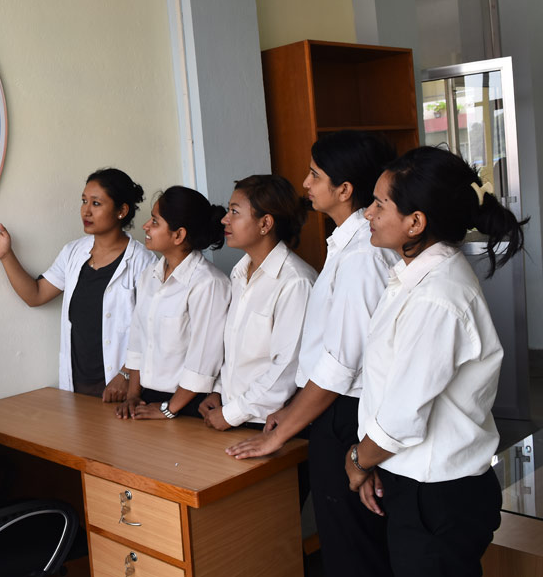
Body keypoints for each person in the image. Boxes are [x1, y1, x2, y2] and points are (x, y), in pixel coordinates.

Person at [345, 147, 527, 577]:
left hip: (438, 496)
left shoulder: (436, 297)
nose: (368, 213)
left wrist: (358, 461)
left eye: (380, 204)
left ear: (416, 222)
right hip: (417, 484)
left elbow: (401, 417)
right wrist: (376, 462)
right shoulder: (415, 278)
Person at [226, 132, 398, 577]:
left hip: (344, 414)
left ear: (344, 190)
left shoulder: (362, 256)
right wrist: (292, 415)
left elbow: (341, 365)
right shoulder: (346, 246)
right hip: (329, 410)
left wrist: (279, 434)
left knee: (352, 550)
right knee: (346, 542)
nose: (305, 183)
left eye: (315, 175)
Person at [0, 168, 155, 398]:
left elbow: (153, 329)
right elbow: (36, 295)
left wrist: (125, 374)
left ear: (122, 211)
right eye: (84, 201)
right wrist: (6, 256)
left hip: (120, 388)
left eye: (96, 203)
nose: (86, 210)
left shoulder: (143, 261)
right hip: (77, 384)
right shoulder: (73, 252)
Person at [199, 175, 316, 430]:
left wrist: (232, 413)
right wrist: (218, 391)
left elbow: (286, 368)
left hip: (267, 424)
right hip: (229, 414)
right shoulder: (239, 273)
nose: (225, 219)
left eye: (234, 212)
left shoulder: (295, 281)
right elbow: (234, 352)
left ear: (265, 223)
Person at [113, 186, 230, 420]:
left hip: (189, 404)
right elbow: (138, 342)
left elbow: (203, 361)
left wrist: (169, 409)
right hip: (148, 398)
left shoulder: (209, 283)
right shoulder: (149, 276)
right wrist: (133, 396)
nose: (145, 226)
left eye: (155, 222)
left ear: (178, 235)